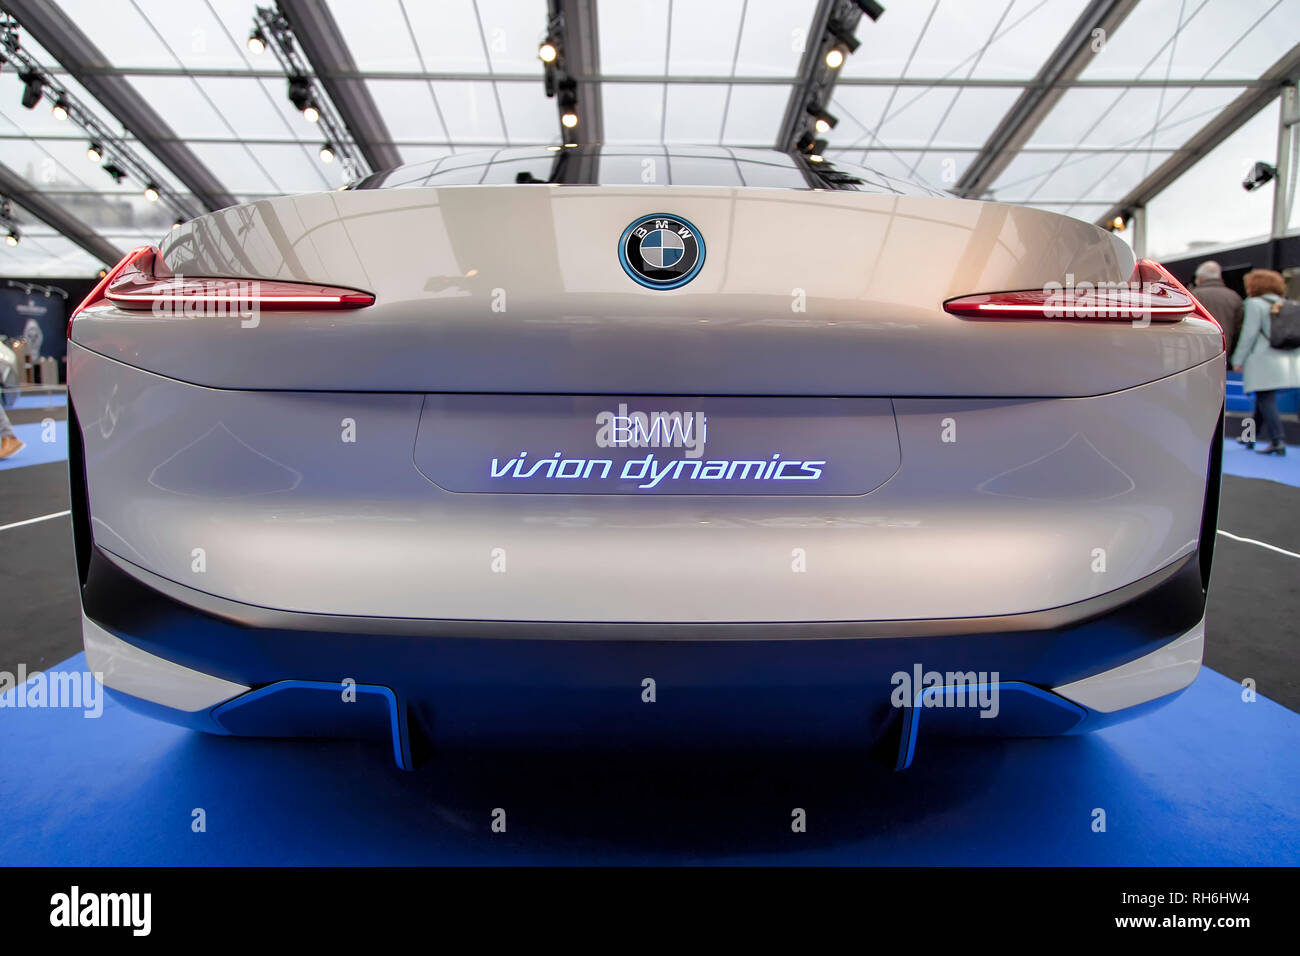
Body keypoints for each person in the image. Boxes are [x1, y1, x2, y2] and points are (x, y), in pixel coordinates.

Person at [1231, 268, 1300, 456]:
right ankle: (1249, 437)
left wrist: (1238, 359)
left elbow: (1249, 334)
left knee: (1265, 398)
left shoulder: (1254, 304)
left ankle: (1278, 439)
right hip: (1287, 358)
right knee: (1263, 399)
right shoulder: (1287, 303)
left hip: (1263, 359)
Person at [1192, 260, 1244, 357]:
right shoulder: (1234, 296)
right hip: (1225, 351)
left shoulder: (1193, 295)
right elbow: (1239, 328)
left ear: (1199, 278)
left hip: (1199, 353)